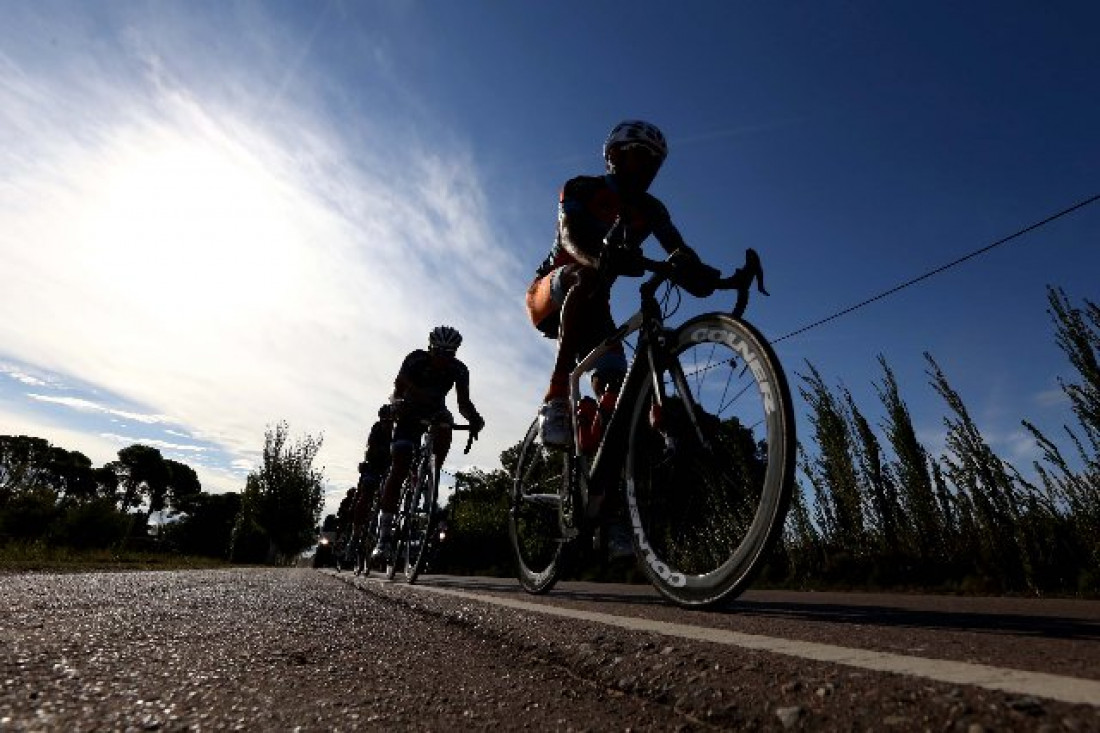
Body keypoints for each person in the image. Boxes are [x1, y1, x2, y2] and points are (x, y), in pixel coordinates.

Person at [525, 119, 697, 447]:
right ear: (615, 155)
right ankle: (557, 396)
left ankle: (595, 458)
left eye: (656, 162)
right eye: (642, 156)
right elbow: (569, 237)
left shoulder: (651, 209)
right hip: (550, 293)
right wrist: (598, 260)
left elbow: (679, 250)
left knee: (615, 385)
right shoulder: (583, 188)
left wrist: (714, 277)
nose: (650, 167)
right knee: (586, 275)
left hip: (594, 309)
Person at [372, 325, 485, 562]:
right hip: (409, 410)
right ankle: (383, 538)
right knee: (399, 466)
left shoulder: (459, 370)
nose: (443, 358)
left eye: (449, 354)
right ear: (430, 348)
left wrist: (474, 419)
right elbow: (398, 389)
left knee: (446, 422)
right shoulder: (415, 359)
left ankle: (430, 472)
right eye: (439, 352)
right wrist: (397, 405)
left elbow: (463, 403)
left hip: (435, 412)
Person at [348, 404, 395, 567]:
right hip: (374, 466)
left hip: (389, 469)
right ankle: (355, 535)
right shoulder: (377, 429)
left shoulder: (398, 429)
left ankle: (383, 533)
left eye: (391, 420)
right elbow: (371, 449)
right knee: (366, 493)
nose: (388, 423)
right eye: (385, 420)